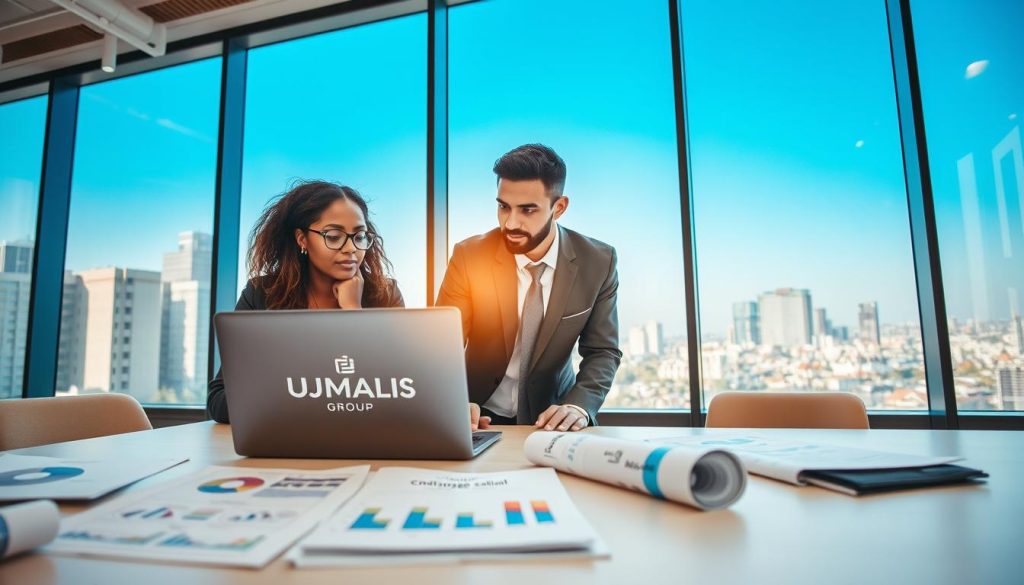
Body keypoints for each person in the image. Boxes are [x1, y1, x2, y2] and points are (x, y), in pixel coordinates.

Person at [438, 144, 621, 433]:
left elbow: (602, 351)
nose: (510, 222)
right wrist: (450, 401)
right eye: (503, 207)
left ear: (558, 208)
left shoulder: (598, 262)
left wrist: (578, 405)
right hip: (476, 417)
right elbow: (440, 346)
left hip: (551, 418)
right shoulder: (469, 256)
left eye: (528, 210)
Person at [206, 180, 403, 423]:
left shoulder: (384, 295)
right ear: (302, 239)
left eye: (359, 236)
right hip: (285, 439)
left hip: (363, 439)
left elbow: (398, 394)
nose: (351, 248)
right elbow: (219, 401)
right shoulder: (261, 294)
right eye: (334, 236)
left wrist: (354, 313)